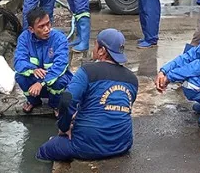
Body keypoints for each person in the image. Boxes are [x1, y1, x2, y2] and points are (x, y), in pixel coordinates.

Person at [37, 29, 138, 161]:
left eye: (95, 45)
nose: (94, 48)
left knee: (44, 151)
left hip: (87, 145)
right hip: (122, 145)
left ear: (102, 51)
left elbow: (67, 100)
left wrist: (64, 127)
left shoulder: (87, 71)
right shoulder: (132, 79)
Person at [14, 7, 73, 114]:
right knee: (20, 77)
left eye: (48, 24)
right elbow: (19, 61)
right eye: (41, 26)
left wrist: (41, 83)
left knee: (60, 81)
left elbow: (61, 65)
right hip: (35, 82)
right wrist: (33, 70)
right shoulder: (24, 38)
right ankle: (33, 101)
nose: (47, 29)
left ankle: (56, 104)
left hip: (52, 80)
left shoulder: (59, 39)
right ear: (31, 29)